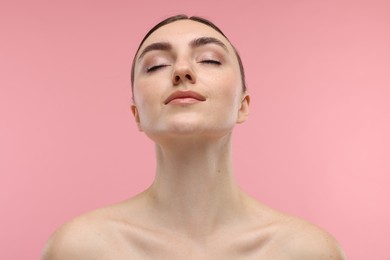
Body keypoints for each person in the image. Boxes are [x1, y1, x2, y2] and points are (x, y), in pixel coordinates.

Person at [42, 14, 345, 259]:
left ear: (243, 105)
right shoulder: (79, 249)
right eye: (156, 65)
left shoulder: (308, 251)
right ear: (137, 115)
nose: (182, 70)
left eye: (210, 59)